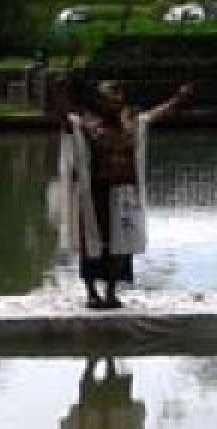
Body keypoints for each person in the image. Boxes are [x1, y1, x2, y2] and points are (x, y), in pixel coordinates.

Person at [65, 80, 191, 309]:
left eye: (118, 100)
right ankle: (92, 293)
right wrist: (57, 93)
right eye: (109, 100)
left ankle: (112, 292)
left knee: (121, 245)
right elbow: (61, 118)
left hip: (123, 191)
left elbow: (156, 115)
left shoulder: (130, 124)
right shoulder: (87, 124)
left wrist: (178, 99)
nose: (115, 105)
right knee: (92, 243)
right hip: (96, 192)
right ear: (100, 103)